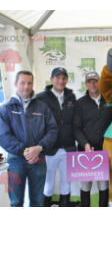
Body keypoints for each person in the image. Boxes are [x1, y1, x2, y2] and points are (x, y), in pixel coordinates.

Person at [0, 71, 58, 207]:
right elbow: (3, 135)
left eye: (29, 83)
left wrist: (40, 147)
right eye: (22, 82)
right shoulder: (6, 109)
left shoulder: (42, 107)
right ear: (15, 84)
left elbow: (53, 129)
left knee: (38, 201)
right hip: (16, 161)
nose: (26, 86)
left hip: (39, 159)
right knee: (16, 202)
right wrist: (25, 151)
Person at [73, 72, 112, 207]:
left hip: (104, 151)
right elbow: (76, 128)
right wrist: (85, 144)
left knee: (103, 185)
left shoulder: (110, 100)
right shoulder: (80, 103)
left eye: (95, 81)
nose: (93, 84)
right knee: (85, 186)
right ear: (86, 84)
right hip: (85, 152)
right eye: (89, 81)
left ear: (100, 82)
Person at [36, 68, 76, 207]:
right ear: (51, 79)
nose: (61, 81)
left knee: (66, 185)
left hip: (68, 148)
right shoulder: (40, 98)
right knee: (48, 185)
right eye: (57, 77)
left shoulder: (72, 97)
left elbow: (76, 122)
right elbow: (35, 125)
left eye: (63, 78)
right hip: (49, 149)